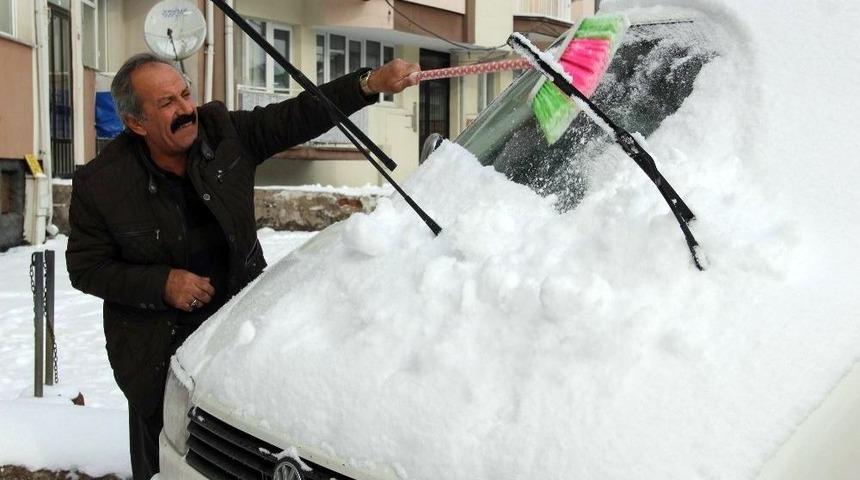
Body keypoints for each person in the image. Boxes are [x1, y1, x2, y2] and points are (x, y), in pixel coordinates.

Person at [66, 52, 419, 479]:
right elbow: (86, 267)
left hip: (239, 333)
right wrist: (162, 284)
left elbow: (297, 115)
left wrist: (369, 82)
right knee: (167, 461)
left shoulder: (223, 133)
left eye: (185, 94)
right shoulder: (102, 184)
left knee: (245, 452)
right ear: (136, 122)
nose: (185, 110)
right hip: (156, 353)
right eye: (167, 104)